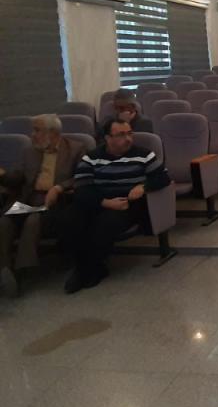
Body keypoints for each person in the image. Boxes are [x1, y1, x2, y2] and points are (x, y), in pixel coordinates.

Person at [62, 118, 171, 293]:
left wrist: (143, 186)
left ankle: (88, 270)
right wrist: (104, 202)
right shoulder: (91, 157)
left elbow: (163, 177)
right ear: (107, 138)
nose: (128, 139)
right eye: (121, 135)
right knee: (71, 218)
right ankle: (87, 268)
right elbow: (82, 187)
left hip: (127, 204)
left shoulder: (144, 154)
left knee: (105, 224)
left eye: (129, 133)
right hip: (99, 201)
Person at [0, 114, 86, 297]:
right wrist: (3, 175)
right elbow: (18, 178)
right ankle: (5, 269)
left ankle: (21, 271)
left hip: (57, 201)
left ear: (53, 133)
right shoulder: (30, 151)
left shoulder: (76, 149)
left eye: (37, 130)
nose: (32, 135)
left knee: (33, 221)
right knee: (5, 222)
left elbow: (82, 177)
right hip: (29, 200)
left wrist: (59, 187)